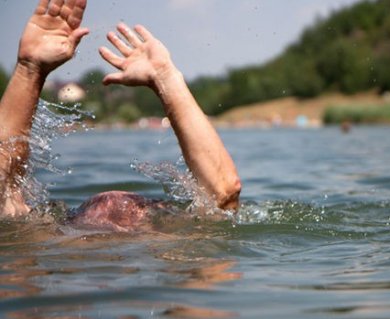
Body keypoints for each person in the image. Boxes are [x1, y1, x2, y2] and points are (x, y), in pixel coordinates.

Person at [0, 0, 241, 230]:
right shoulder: (172, 246)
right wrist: (166, 79)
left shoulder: (47, 236)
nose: (113, 218)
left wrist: (29, 70)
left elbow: (224, 195)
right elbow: (222, 195)